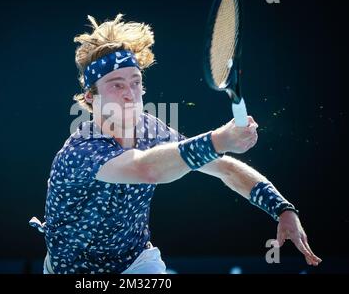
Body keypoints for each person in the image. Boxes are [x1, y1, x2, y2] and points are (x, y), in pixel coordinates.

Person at [29, 14, 322, 274]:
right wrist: (220, 139)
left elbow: (225, 169)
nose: (130, 93)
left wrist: (282, 209)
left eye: (135, 81)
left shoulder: (152, 130)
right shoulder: (81, 150)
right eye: (116, 85)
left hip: (137, 262)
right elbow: (147, 170)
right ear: (91, 98)